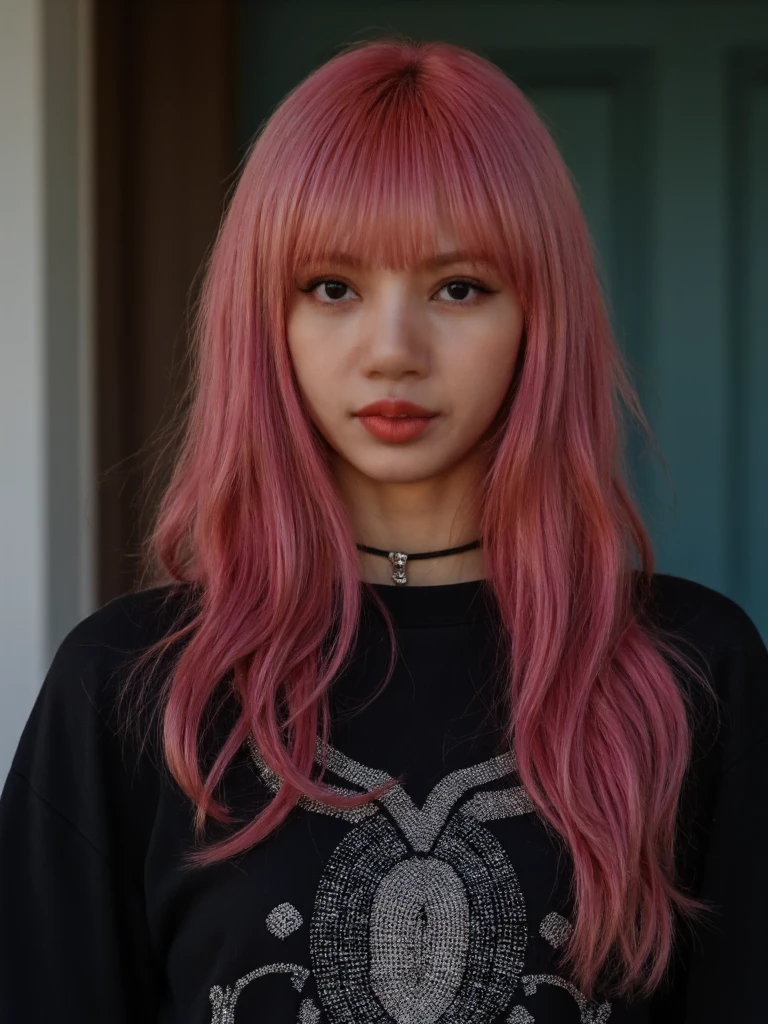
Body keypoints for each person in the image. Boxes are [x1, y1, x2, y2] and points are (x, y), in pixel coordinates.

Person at [1, 35, 766, 1024]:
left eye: (459, 287)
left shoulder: (690, 673)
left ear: (541, 316)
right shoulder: (133, 688)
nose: (392, 350)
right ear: (261, 318)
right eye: (332, 287)